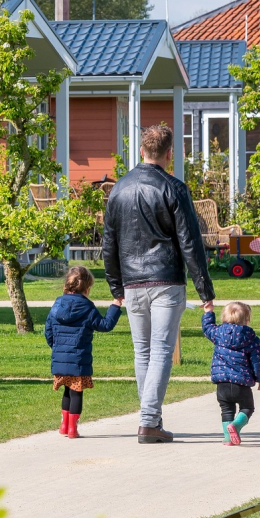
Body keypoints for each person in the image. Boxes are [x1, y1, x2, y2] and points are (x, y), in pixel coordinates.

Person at [103, 124, 215, 444]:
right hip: (166, 279)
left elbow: (108, 244)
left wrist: (115, 288)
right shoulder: (174, 188)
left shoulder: (119, 189)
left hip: (132, 282)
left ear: (141, 151)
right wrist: (205, 292)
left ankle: (151, 416)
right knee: (161, 350)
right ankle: (149, 420)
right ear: (169, 154)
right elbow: (190, 244)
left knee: (143, 351)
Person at [44, 265, 123, 439]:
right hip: (79, 359)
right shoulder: (87, 307)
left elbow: (48, 331)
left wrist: (57, 348)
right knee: (76, 392)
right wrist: (115, 305)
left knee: (66, 390)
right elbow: (104, 325)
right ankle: (73, 428)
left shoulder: (56, 305)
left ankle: (64, 425)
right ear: (87, 288)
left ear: (67, 285)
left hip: (60, 358)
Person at [200, 300, 260, 445]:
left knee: (227, 410)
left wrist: (208, 312)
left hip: (222, 383)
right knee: (248, 408)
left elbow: (207, 328)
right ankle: (235, 426)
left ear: (223, 318)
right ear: (247, 320)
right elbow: (257, 361)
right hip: (241, 383)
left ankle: (228, 438)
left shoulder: (217, 333)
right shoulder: (251, 338)